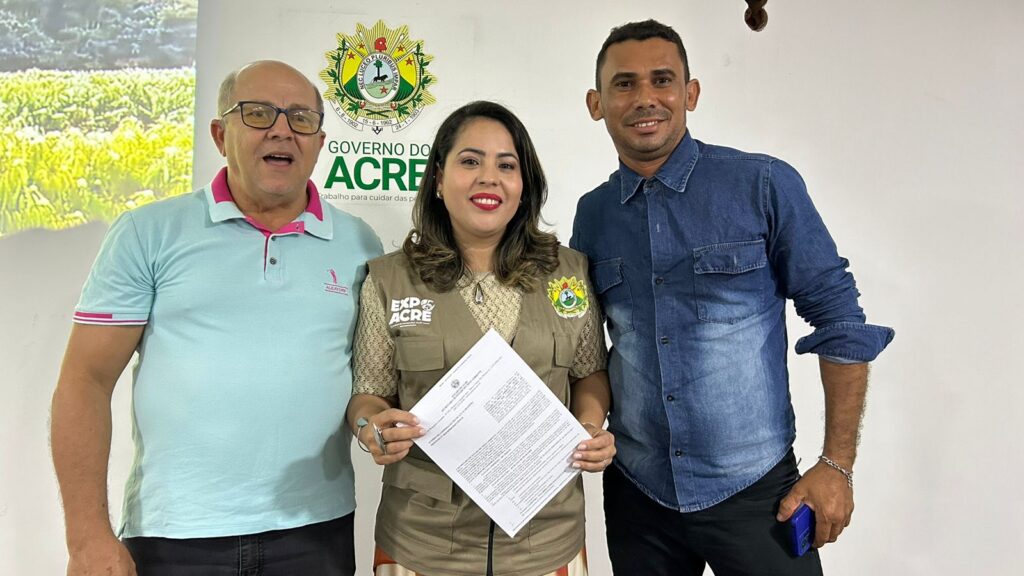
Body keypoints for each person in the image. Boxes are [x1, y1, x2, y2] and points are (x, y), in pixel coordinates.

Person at [570, 20, 895, 576]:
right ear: (596, 103)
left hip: (756, 494)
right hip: (637, 495)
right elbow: (581, 346)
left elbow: (839, 318)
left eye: (662, 80)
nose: (644, 98)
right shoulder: (593, 215)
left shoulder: (763, 184)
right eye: (624, 84)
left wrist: (836, 465)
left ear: (690, 93)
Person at [50, 60, 382, 576]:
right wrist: (86, 538)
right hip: (176, 536)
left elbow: (366, 380)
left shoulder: (360, 243)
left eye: (300, 118)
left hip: (316, 534)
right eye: (258, 114)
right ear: (220, 133)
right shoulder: (147, 232)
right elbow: (85, 381)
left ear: (319, 142)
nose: (281, 130)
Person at [346, 100, 615, 576]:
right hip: (421, 542)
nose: (489, 178)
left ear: (523, 185)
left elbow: (589, 372)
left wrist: (590, 427)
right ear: (437, 178)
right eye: (470, 161)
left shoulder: (568, 272)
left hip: (546, 536)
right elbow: (369, 394)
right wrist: (373, 428)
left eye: (506, 166)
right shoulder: (389, 281)